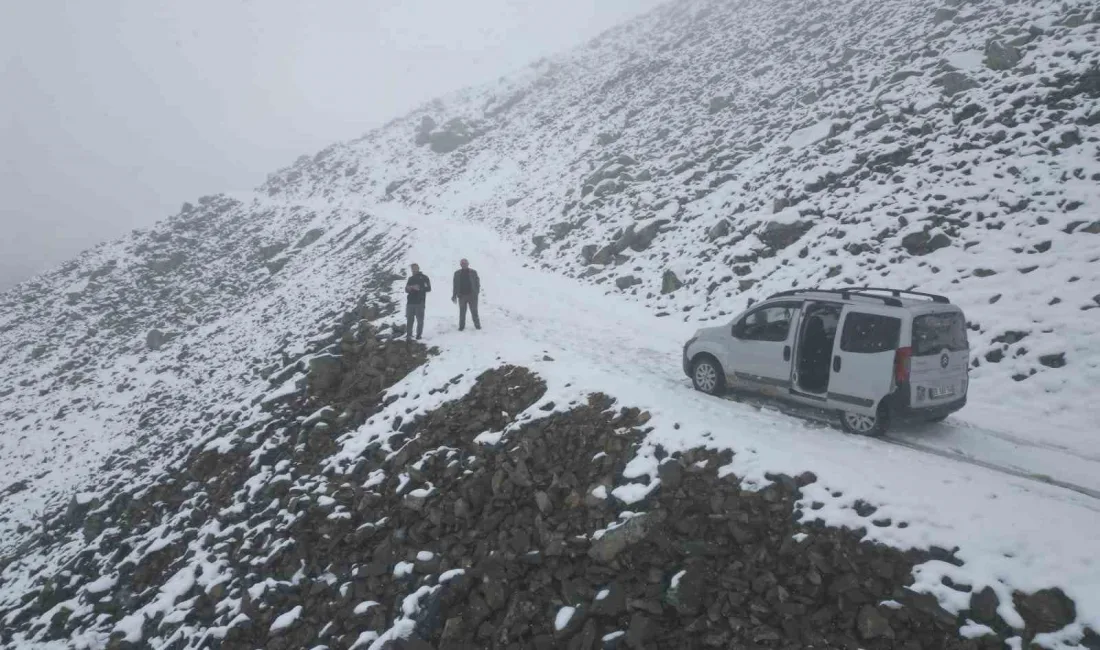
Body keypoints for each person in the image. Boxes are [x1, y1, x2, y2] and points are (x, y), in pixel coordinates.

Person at [451, 258, 481, 331]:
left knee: (474, 311)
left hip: (472, 296)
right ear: (460, 265)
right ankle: (461, 327)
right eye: (462, 264)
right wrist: (454, 295)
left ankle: (477, 326)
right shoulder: (457, 273)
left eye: (465, 263)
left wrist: (476, 292)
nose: (464, 265)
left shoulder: (473, 272)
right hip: (462, 296)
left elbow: (477, 283)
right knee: (462, 312)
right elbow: (455, 285)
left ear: (468, 264)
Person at [405, 263, 431, 340]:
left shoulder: (424, 277)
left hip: (420, 302)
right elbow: (406, 289)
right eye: (413, 268)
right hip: (410, 302)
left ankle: (418, 335)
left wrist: (420, 288)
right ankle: (409, 335)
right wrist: (410, 288)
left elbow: (429, 288)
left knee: (420, 320)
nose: (414, 269)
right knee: (409, 320)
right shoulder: (410, 278)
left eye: (415, 268)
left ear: (418, 268)